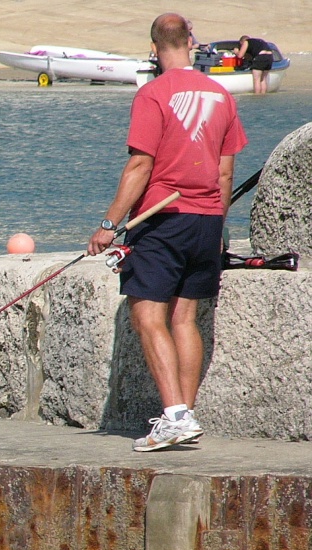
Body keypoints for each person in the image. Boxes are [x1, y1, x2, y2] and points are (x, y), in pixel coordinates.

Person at [87, 13, 247, 452]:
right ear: (191, 43)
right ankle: (183, 415)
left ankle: (175, 416)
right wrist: (217, 223)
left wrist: (108, 225)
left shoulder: (153, 94)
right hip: (207, 219)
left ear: (154, 48)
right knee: (184, 318)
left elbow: (140, 165)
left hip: (163, 219)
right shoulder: (221, 95)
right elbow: (225, 170)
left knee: (147, 315)